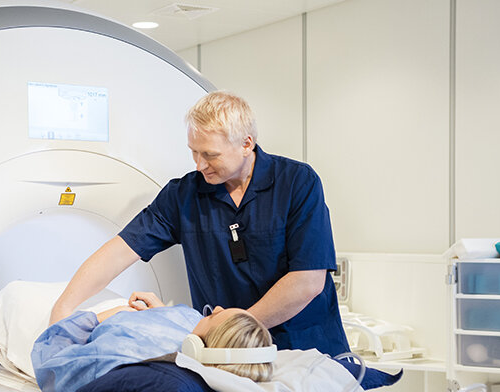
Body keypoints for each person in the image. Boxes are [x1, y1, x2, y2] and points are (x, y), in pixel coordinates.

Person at [48, 91, 349, 356]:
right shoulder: (184, 195)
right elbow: (119, 252)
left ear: (246, 144)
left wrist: (228, 329)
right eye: (194, 151)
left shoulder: (297, 183)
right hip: (224, 356)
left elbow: (307, 281)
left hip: (306, 350)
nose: (199, 164)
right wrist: (63, 309)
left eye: (210, 155)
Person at [32, 292, 273, 392]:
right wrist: (163, 312)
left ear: (195, 347)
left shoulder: (120, 355)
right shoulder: (195, 328)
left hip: (95, 313)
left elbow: (50, 366)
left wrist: (99, 317)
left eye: (211, 316)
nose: (216, 308)